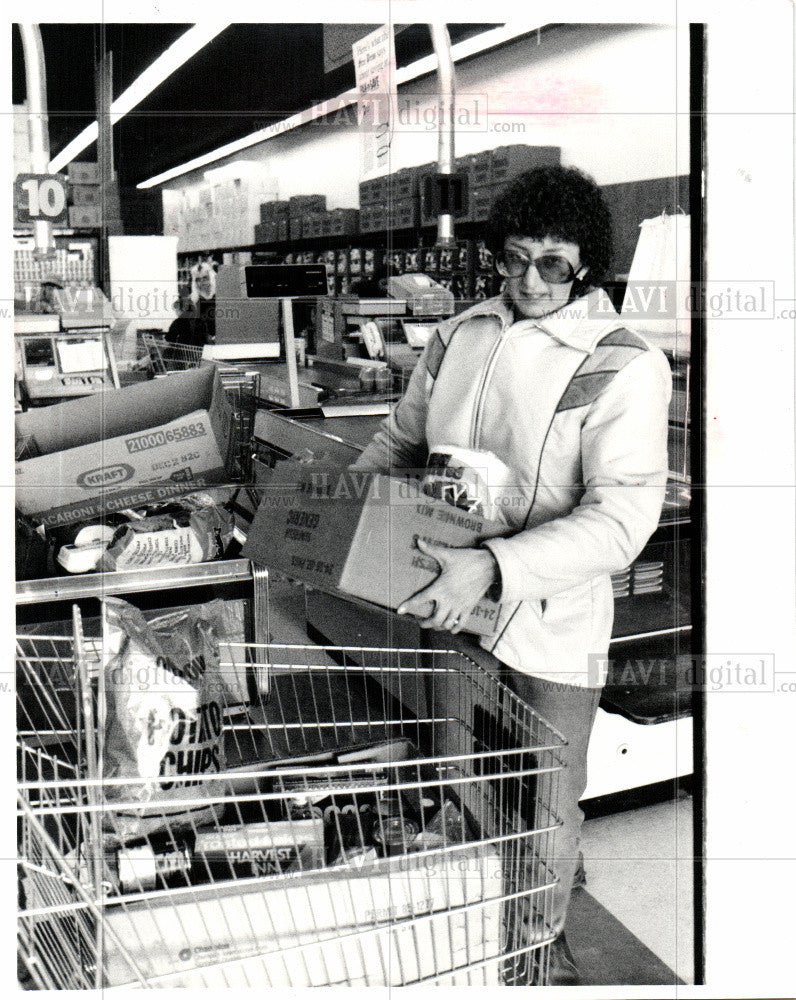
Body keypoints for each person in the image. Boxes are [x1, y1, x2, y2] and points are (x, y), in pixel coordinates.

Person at [352, 164, 672, 984]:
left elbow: (621, 520)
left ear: (587, 267)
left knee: (544, 797)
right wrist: (344, 515)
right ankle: (467, 931)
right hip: (444, 600)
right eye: (515, 259)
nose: (530, 281)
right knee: (461, 773)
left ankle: (537, 949)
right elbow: (400, 441)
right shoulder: (461, 335)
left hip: (547, 617)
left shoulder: (621, 363)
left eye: (553, 265)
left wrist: (491, 568)